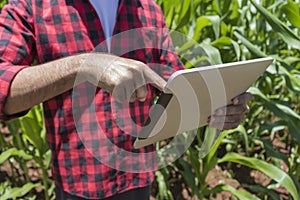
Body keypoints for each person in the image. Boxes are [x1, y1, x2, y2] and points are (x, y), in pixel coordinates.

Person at [0, 0, 253, 199]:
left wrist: (215, 106)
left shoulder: (147, 10)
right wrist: (83, 66)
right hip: (78, 181)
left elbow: (173, 85)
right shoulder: (32, 6)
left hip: (137, 178)